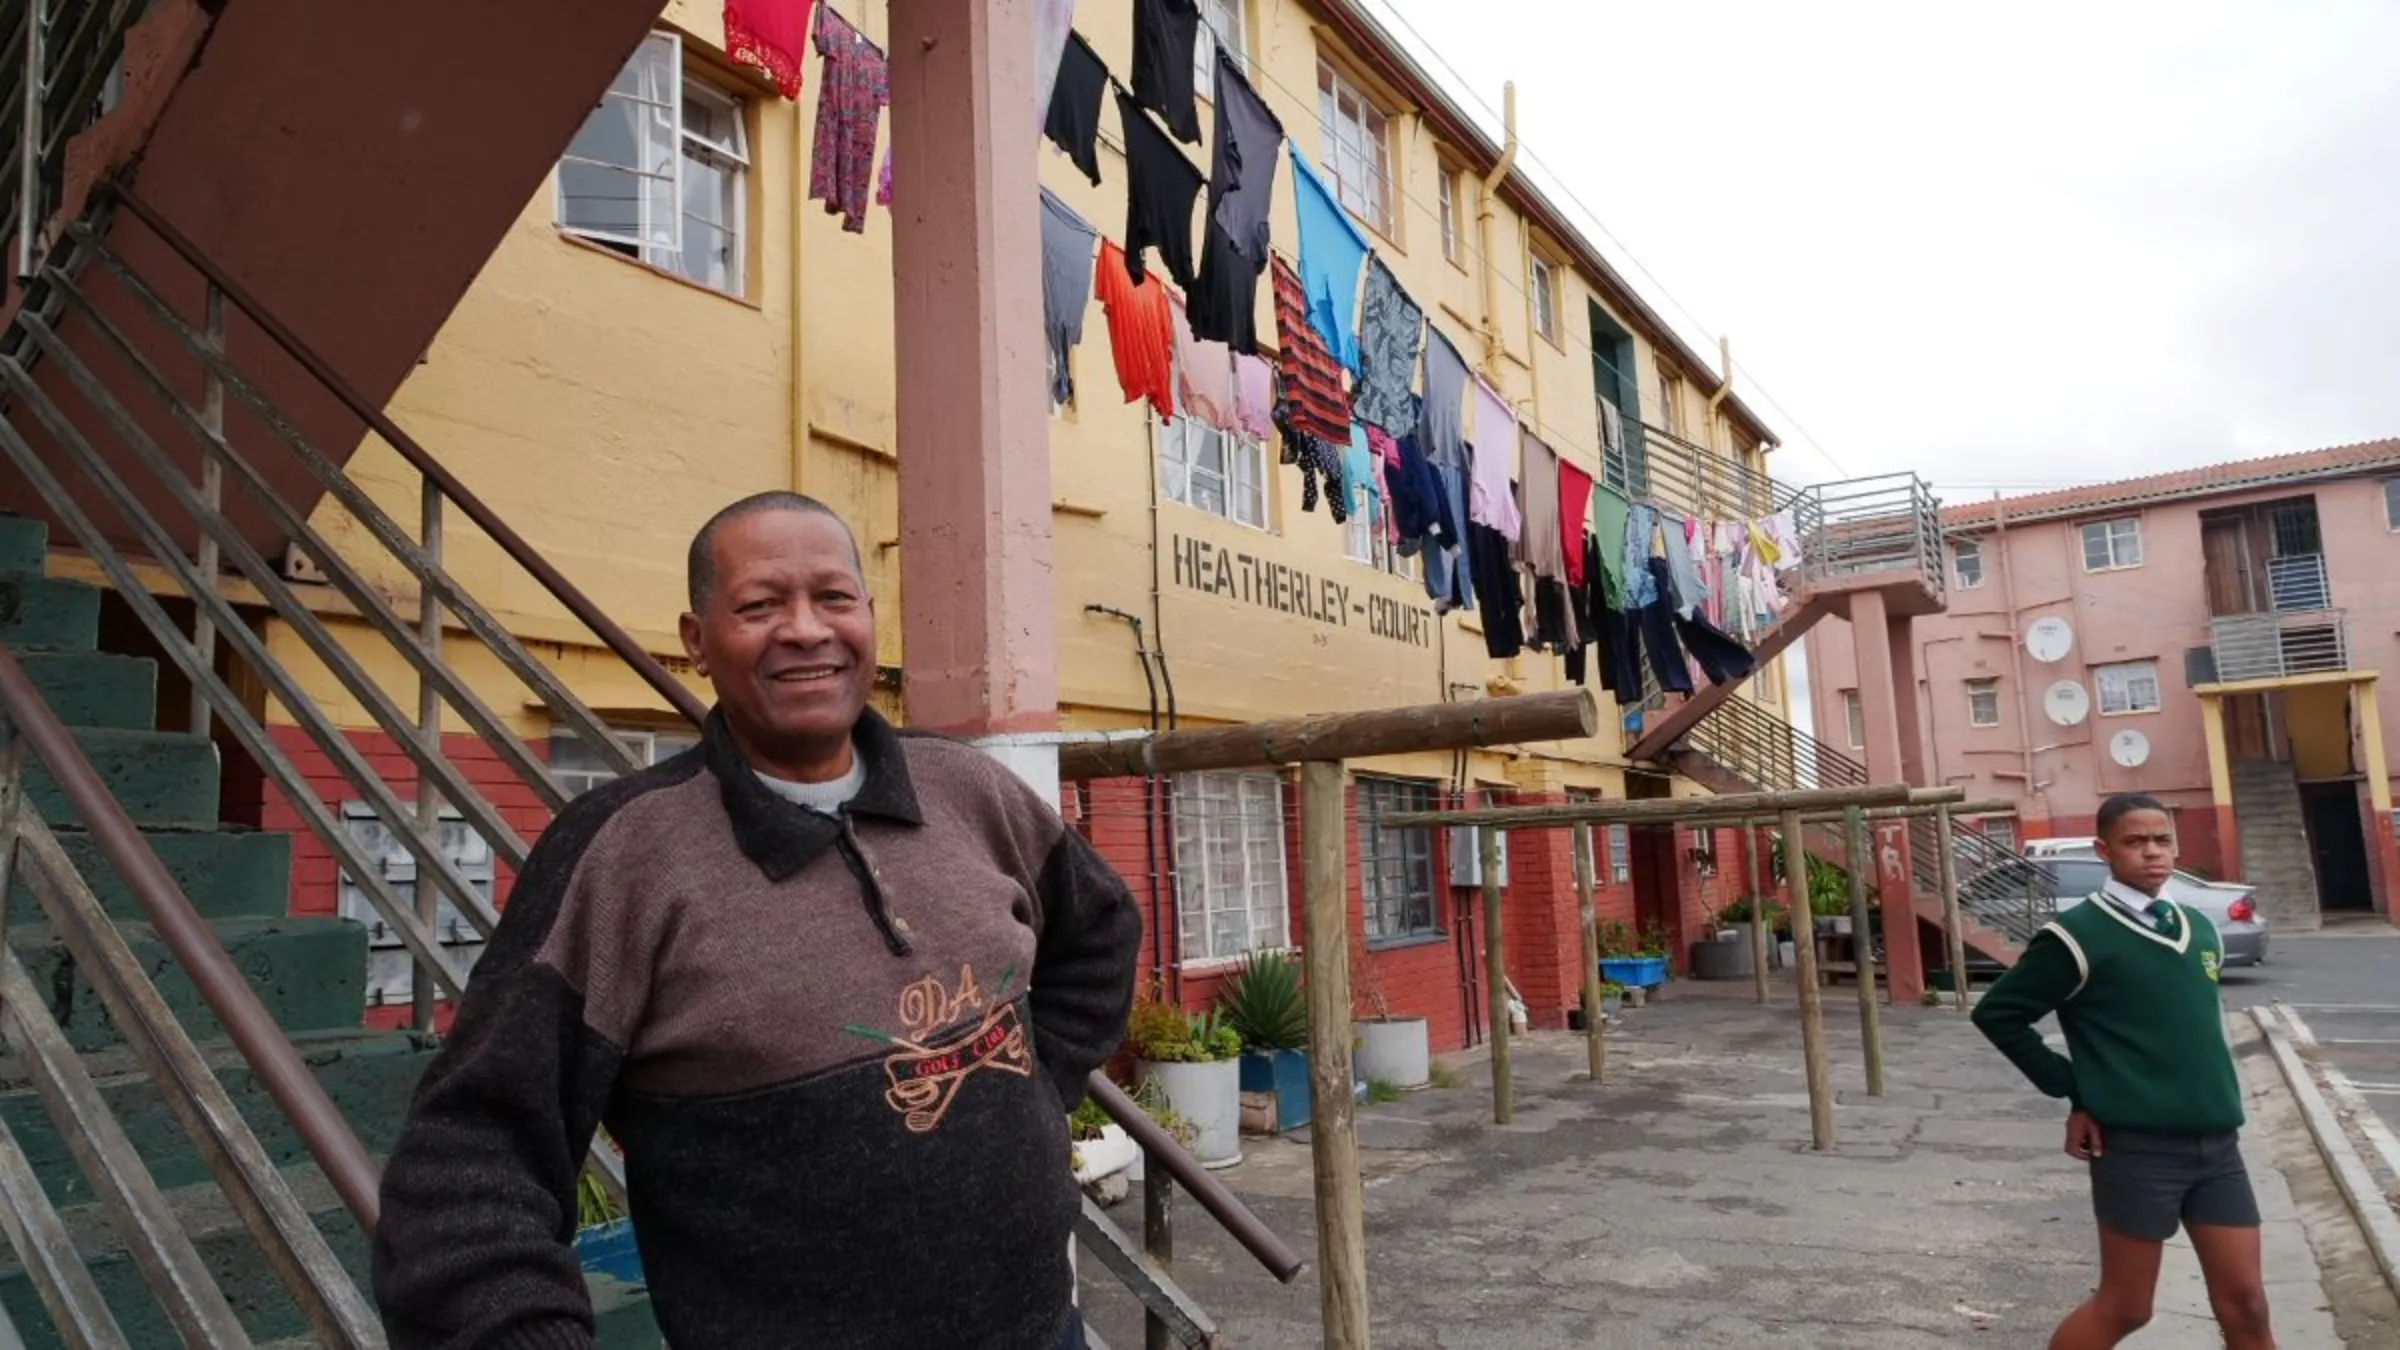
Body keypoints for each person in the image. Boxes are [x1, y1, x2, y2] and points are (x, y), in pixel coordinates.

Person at [372, 491, 1142, 1350]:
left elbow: (1099, 932)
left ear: (870, 618)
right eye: (760, 605)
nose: (807, 629)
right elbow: (472, 1154)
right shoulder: (625, 857)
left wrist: (1033, 1089)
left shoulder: (969, 792)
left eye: (834, 597)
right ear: (696, 640)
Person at [1971, 793, 2274, 1349]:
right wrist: (2074, 1089)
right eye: (2135, 842)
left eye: (2162, 841)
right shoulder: (2077, 936)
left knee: (2248, 1306)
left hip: (2219, 1147)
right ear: (2103, 850)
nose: (2153, 854)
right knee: (2128, 1308)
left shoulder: (2196, 929)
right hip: (2138, 1149)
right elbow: (1999, 1014)